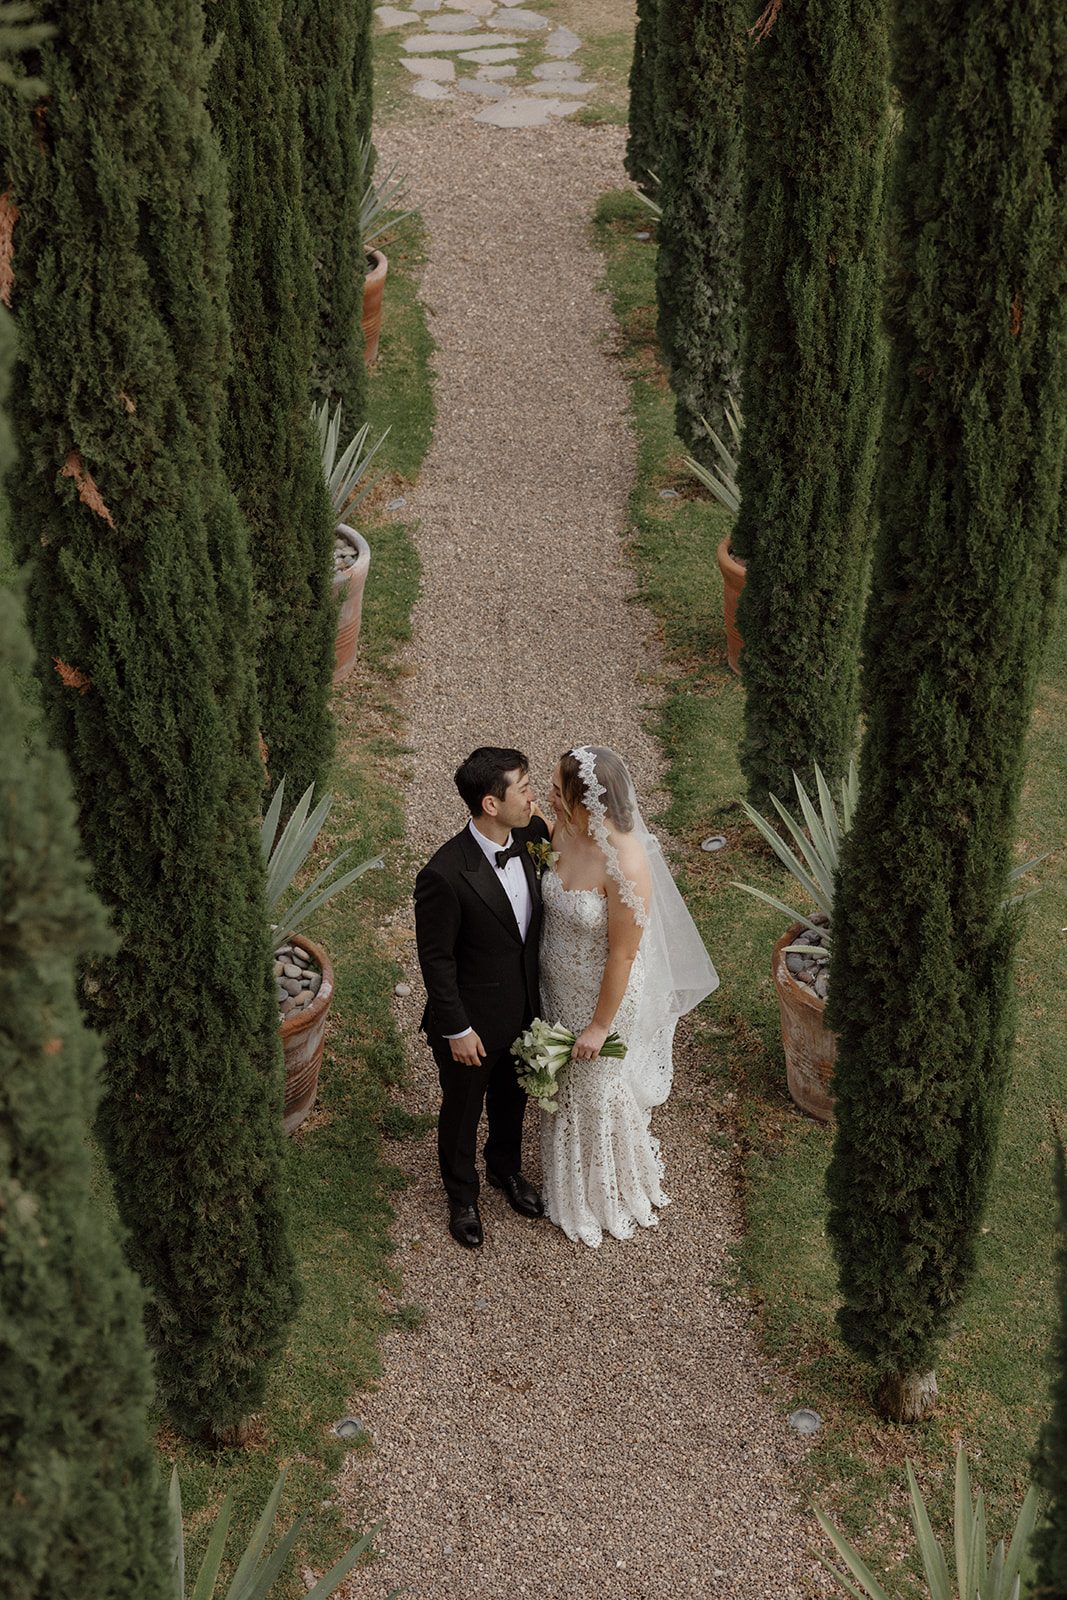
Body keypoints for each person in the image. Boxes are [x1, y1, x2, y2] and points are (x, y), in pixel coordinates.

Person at [538, 745, 718, 1247]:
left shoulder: (626, 860)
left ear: (584, 799)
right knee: (564, 1086)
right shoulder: (562, 830)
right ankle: (567, 1179)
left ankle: (606, 1194)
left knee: (596, 1089)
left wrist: (599, 1027)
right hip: (557, 987)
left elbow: (622, 955)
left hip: (603, 996)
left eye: (556, 790)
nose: (549, 797)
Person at [414, 747, 551, 1249]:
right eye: (524, 788)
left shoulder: (533, 836)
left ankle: (504, 1169)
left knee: (513, 1099)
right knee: (463, 1110)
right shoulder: (444, 873)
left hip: (524, 1009)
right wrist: (457, 1028)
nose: (534, 797)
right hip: (470, 1022)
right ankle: (462, 1196)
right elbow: (436, 960)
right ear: (491, 805)